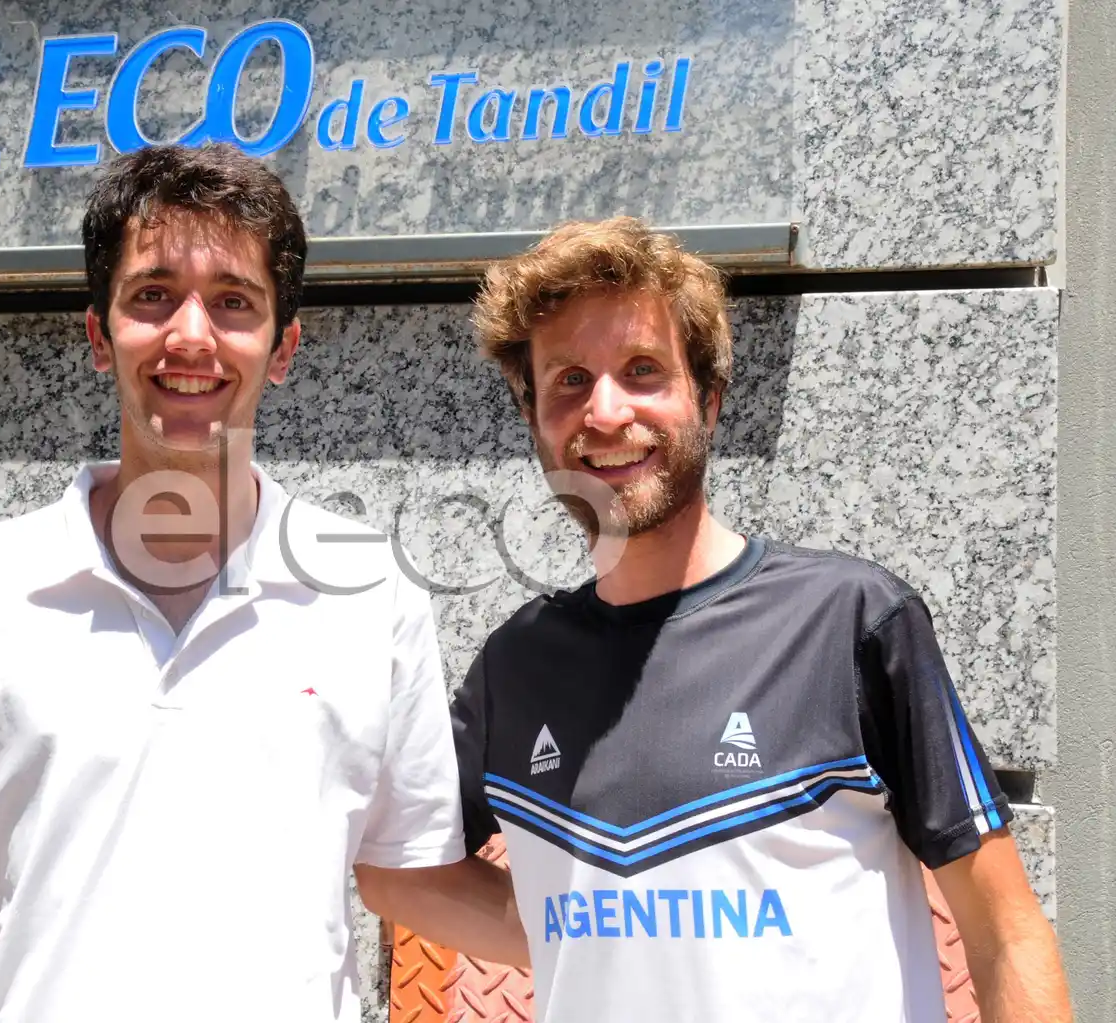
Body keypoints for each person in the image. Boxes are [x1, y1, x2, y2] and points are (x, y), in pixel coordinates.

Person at [0, 143, 525, 1023]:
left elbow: (414, 875)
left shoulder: (370, 591)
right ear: (100, 334)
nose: (191, 335)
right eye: (152, 295)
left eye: (234, 302)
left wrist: (651, 930)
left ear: (283, 347)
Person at [449, 217, 1074, 1022]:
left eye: (643, 370)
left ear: (707, 400)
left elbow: (1004, 933)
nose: (605, 411)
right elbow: (398, 868)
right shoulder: (515, 665)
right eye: (568, 380)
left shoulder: (852, 621)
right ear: (533, 415)